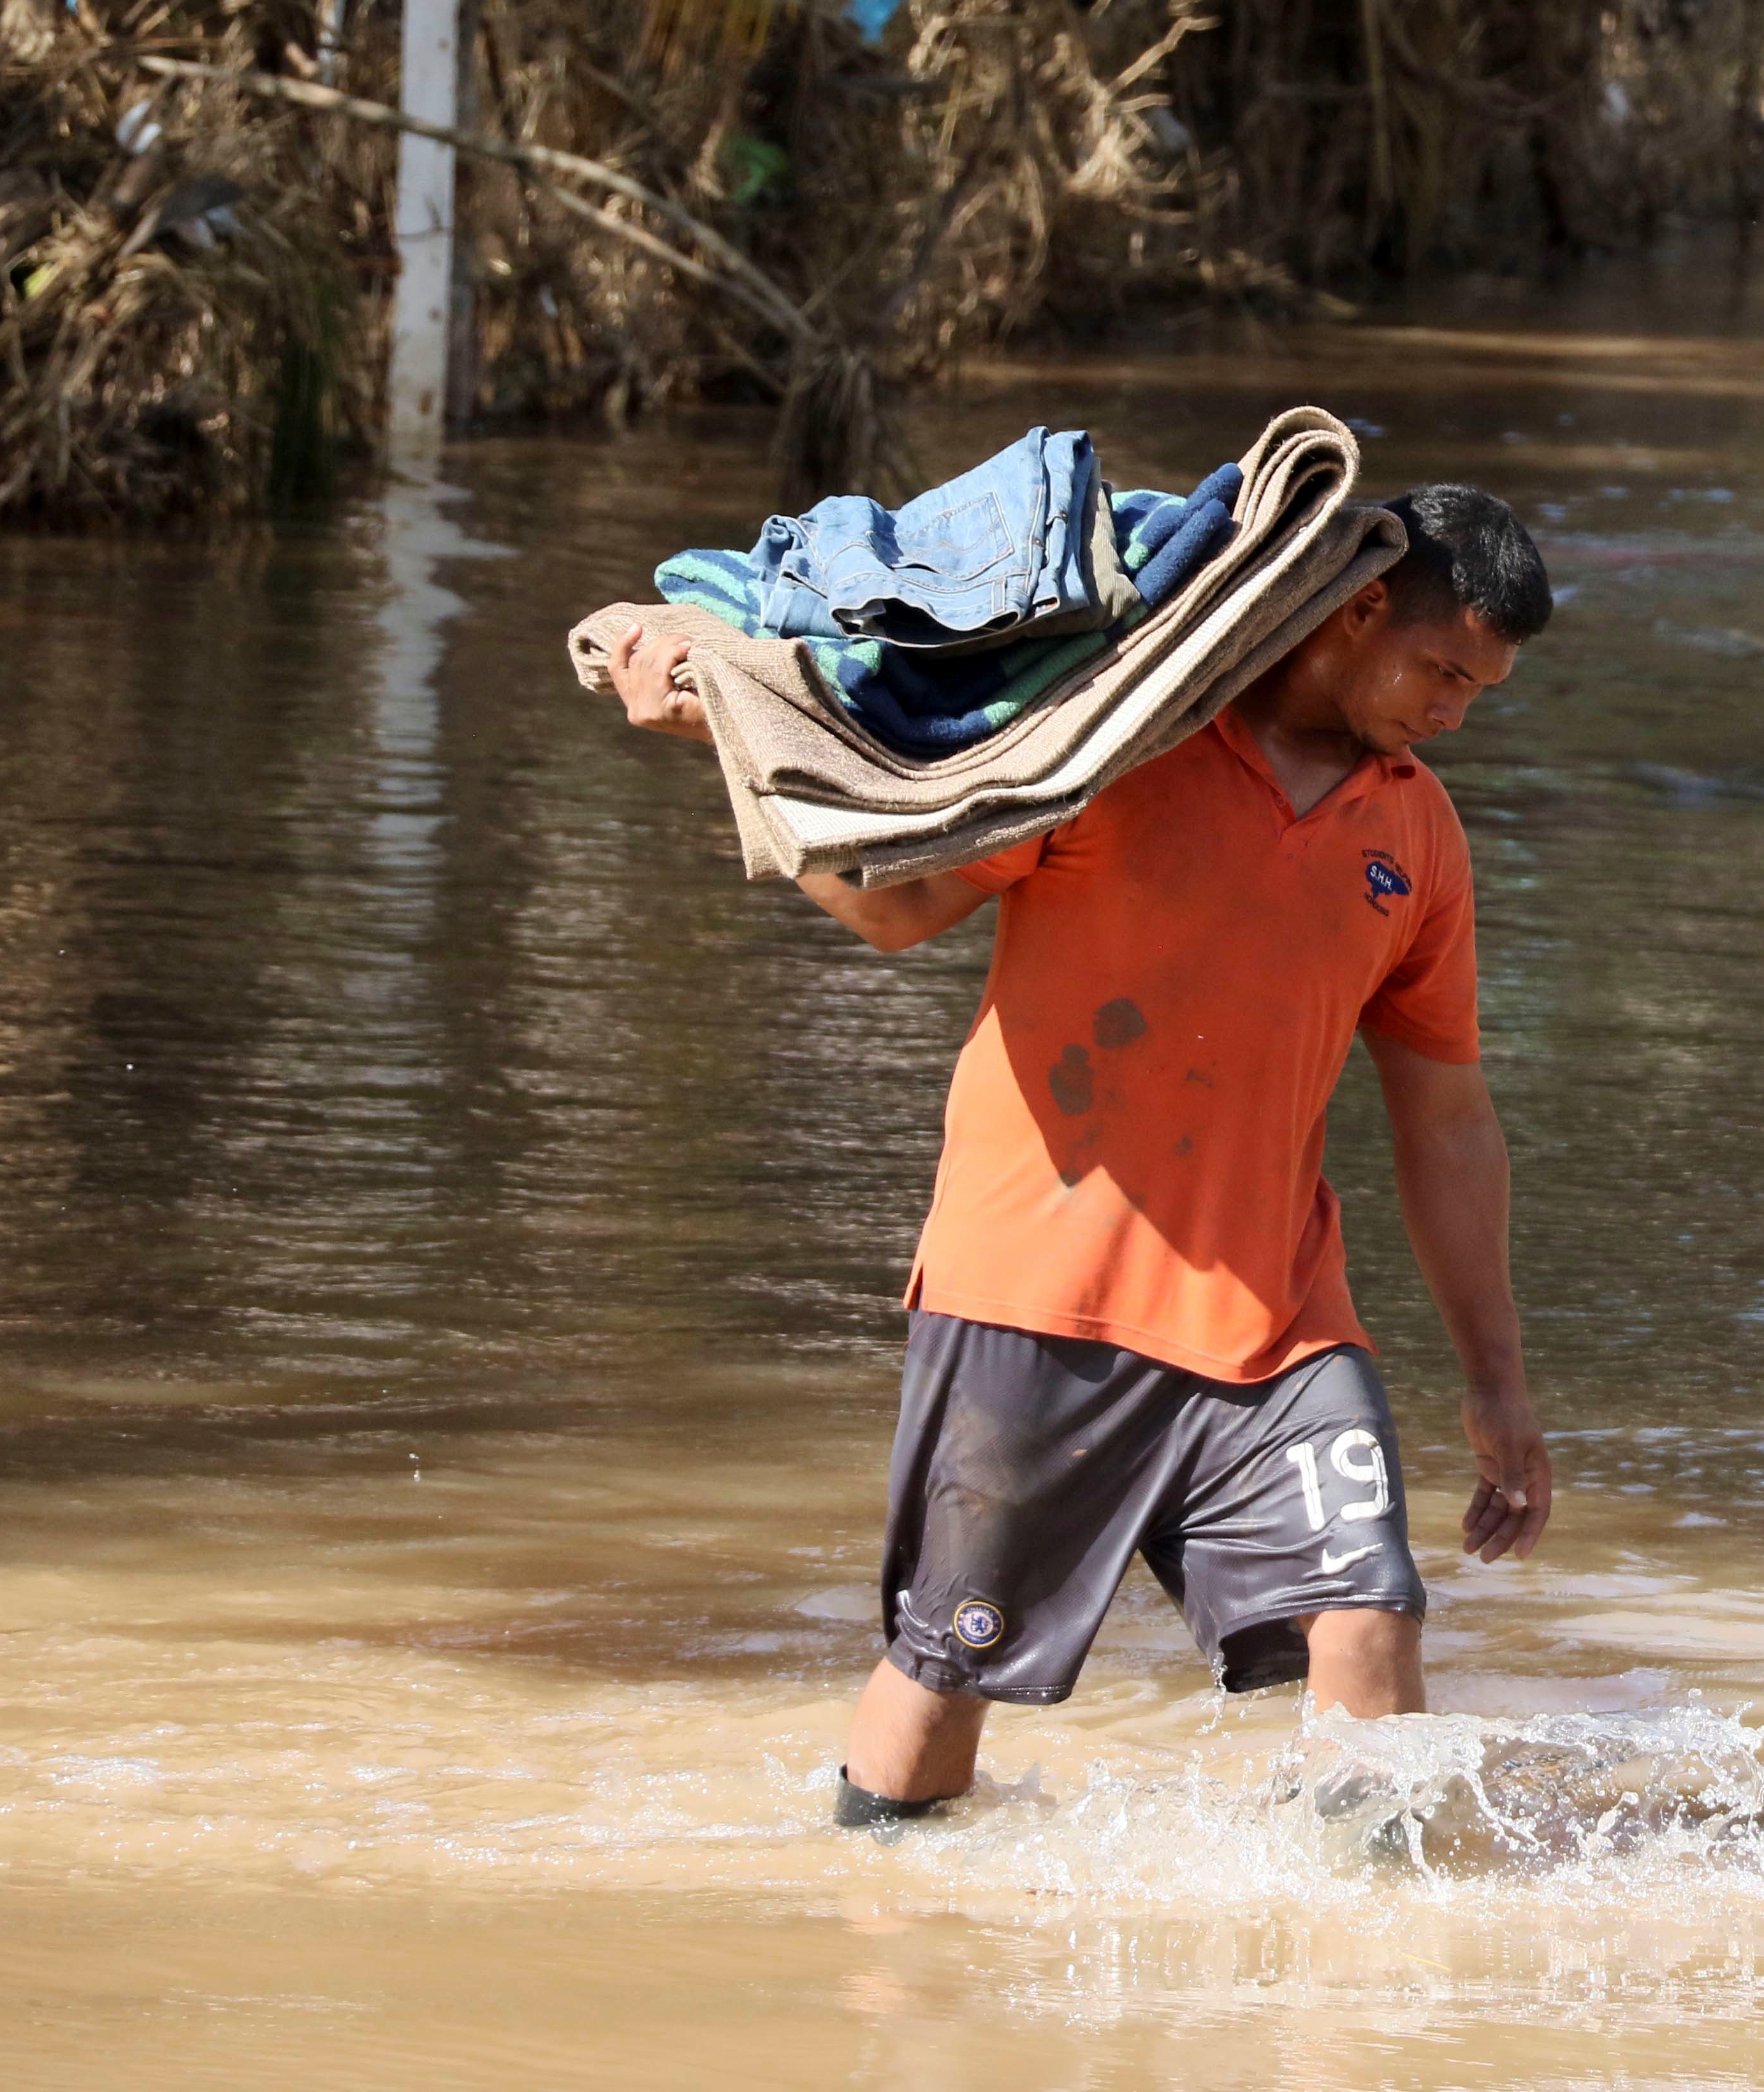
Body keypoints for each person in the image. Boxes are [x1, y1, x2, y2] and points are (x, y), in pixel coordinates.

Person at [608, 484, 1561, 1823]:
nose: (1457, 712)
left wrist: (1500, 1386)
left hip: (1274, 1326)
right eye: (1444, 672)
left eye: (1483, 690)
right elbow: (904, 911)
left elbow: (1449, 1120)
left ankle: (1357, 1998)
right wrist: (731, 736)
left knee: (1370, 1616)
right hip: (1035, 1291)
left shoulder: (1418, 838)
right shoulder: (1124, 738)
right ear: (1355, 613)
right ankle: (885, 1955)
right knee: (949, 1672)